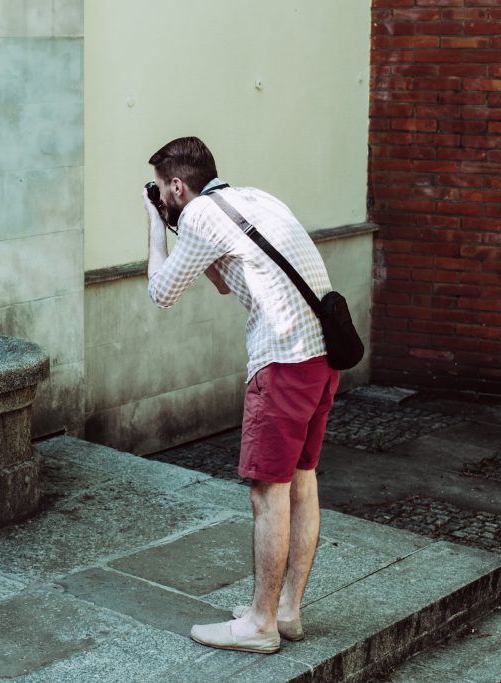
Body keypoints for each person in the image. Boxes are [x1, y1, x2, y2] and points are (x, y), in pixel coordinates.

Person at [144, 136, 339, 655]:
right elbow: (228, 280)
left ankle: (259, 624)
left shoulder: (200, 215)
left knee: (267, 493)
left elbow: (161, 292)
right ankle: (288, 611)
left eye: (163, 192)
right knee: (302, 480)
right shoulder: (254, 198)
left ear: (177, 186)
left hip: (281, 362)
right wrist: (178, 227)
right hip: (323, 355)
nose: (162, 200)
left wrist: (154, 229)